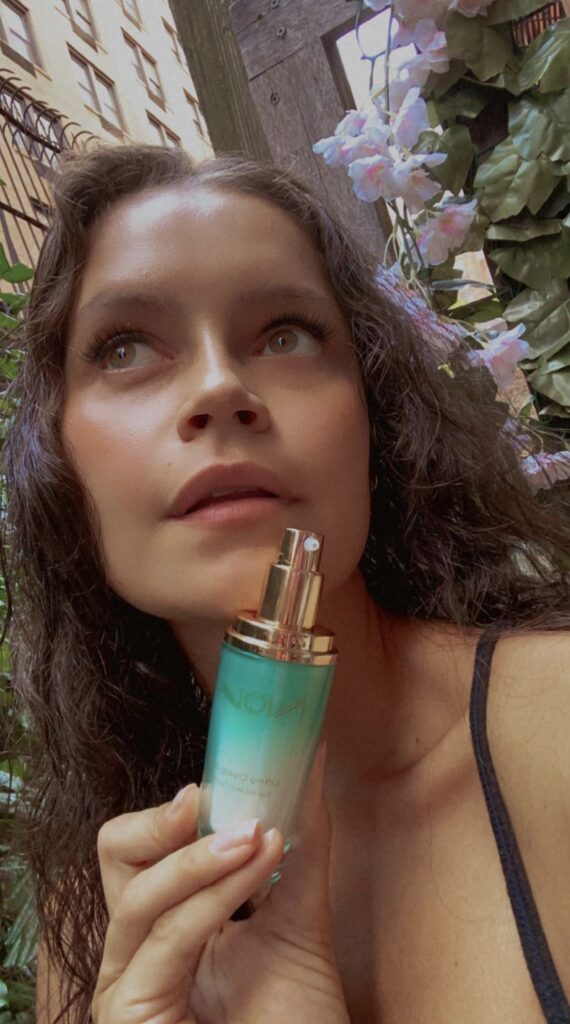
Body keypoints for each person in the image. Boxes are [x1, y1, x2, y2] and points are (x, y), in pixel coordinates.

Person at [3, 142, 570, 1024]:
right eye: (124, 348)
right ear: (59, 464)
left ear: (373, 415)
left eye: (285, 335)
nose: (219, 388)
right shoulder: (104, 918)